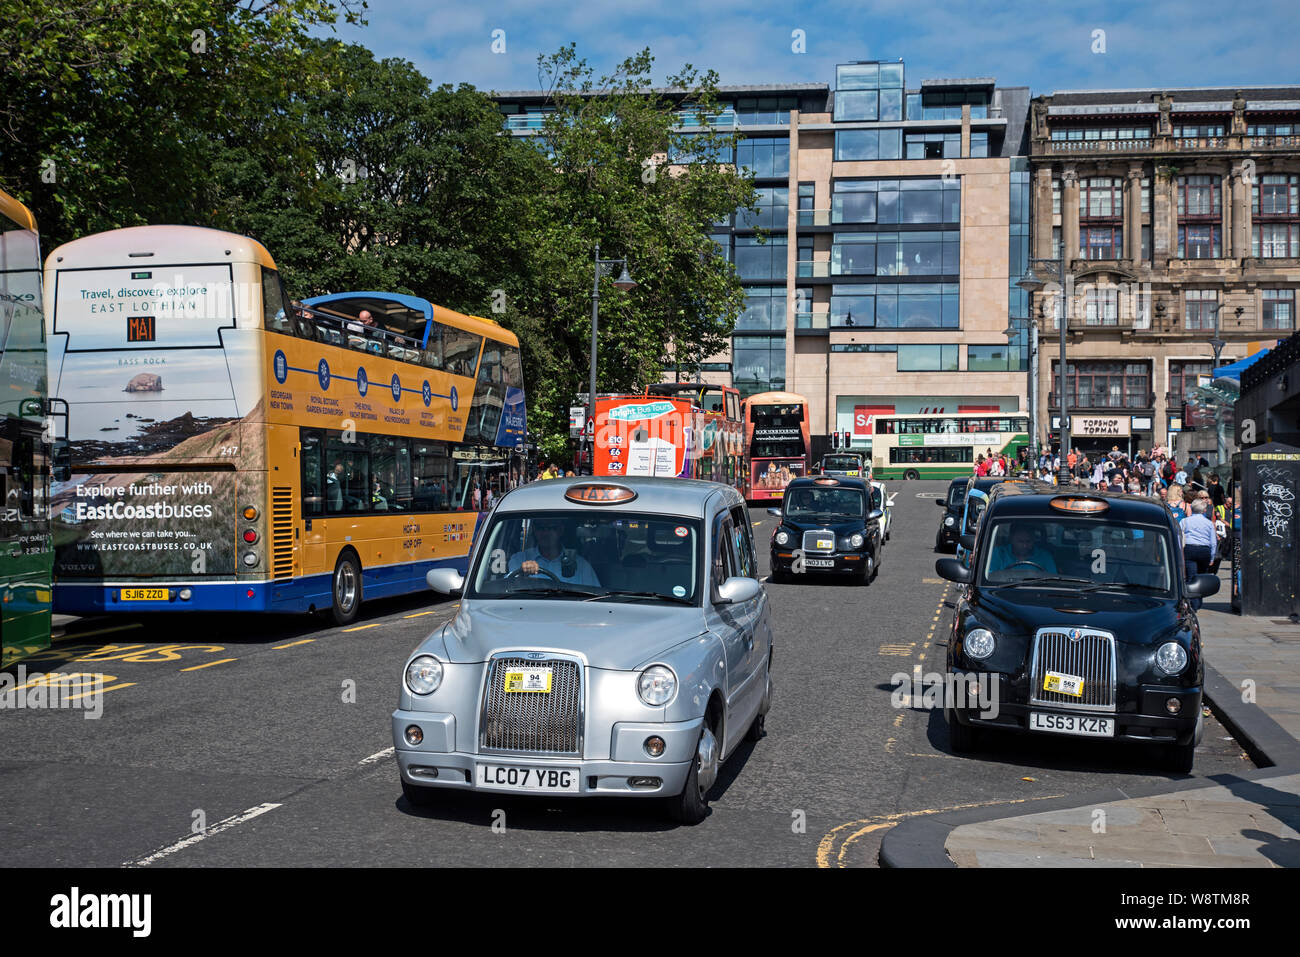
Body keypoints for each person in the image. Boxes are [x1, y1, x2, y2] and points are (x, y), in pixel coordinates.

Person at [507, 517, 600, 586]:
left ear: (561, 530)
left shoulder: (581, 566)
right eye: (540, 527)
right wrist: (522, 575)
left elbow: (595, 600)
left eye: (551, 528)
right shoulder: (519, 560)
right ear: (534, 529)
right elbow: (505, 588)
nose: (545, 533)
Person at [1180, 499, 1217, 609]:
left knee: (1191, 577)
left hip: (1189, 548)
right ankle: (1198, 602)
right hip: (1204, 550)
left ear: (1191, 508)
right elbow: (1213, 542)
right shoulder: (1209, 523)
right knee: (1201, 576)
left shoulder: (1184, 521)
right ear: (1204, 510)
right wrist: (1212, 557)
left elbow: (1179, 537)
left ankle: (1192, 603)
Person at [989, 525, 1059, 575]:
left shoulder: (1045, 556)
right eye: (1020, 541)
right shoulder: (999, 554)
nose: (1025, 546)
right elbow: (989, 576)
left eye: (1028, 541)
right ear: (1011, 539)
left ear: (1034, 540)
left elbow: (1053, 579)